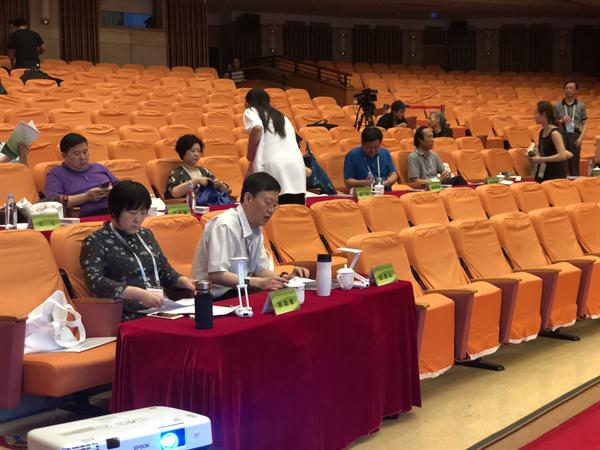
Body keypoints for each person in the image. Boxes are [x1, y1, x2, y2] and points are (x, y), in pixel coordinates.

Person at [81, 180, 196, 320]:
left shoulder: (145, 234)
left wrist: (184, 281)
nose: (138, 220)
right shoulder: (96, 241)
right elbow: (96, 282)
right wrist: (139, 294)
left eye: (143, 213)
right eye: (132, 212)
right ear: (115, 210)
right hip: (128, 314)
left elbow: (164, 270)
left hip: (162, 308)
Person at [193, 172, 309, 300]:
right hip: (215, 297)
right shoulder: (224, 225)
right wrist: (258, 283)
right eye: (268, 203)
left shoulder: (256, 227)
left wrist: (285, 279)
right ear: (248, 199)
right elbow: (217, 275)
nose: (271, 210)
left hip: (242, 291)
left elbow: (260, 270)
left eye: (275, 205)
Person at [244, 87, 306, 205]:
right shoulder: (282, 116)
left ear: (247, 103)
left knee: (274, 210)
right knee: (295, 209)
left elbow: (257, 128)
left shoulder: (251, 110)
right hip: (296, 165)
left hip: (274, 165)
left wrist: (250, 153)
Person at [45, 133, 118, 217]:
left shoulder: (99, 167)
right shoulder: (56, 174)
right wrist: (86, 197)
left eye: (85, 152)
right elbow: (53, 202)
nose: (82, 157)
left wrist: (112, 191)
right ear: (64, 155)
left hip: (114, 213)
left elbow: (120, 188)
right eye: (76, 154)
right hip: (84, 218)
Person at [165, 134, 231, 202]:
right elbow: (174, 193)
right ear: (183, 152)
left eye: (199, 151)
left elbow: (225, 191)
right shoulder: (177, 172)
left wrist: (220, 185)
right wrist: (196, 181)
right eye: (193, 151)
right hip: (190, 206)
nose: (196, 154)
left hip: (210, 204)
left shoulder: (205, 171)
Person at [343, 126, 398, 192]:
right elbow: (347, 181)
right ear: (362, 143)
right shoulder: (352, 155)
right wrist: (363, 182)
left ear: (380, 144)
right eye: (368, 147)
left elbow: (394, 175)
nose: (372, 150)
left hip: (384, 190)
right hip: (364, 192)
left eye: (376, 147)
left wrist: (386, 182)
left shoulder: (385, 153)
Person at [529, 101, 572, 183]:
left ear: (544, 114)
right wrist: (535, 156)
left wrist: (541, 159)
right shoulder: (541, 132)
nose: (534, 116)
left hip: (555, 175)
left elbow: (562, 155)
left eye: (535, 113)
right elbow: (545, 152)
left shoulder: (554, 133)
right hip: (543, 172)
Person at [554, 81, 588, 176]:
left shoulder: (581, 106)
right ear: (564, 90)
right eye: (566, 88)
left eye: (571, 88)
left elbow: (585, 123)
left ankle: (575, 180)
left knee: (574, 161)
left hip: (575, 135)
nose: (568, 90)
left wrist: (581, 138)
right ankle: (562, 180)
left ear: (576, 91)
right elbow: (553, 122)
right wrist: (561, 121)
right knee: (562, 161)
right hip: (562, 134)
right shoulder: (557, 105)